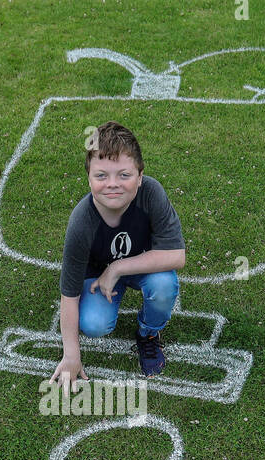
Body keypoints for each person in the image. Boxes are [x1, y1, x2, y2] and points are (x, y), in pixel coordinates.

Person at [49, 121, 185, 387]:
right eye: (101, 176)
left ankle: (148, 334)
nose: (112, 184)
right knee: (94, 324)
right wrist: (71, 355)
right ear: (88, 178)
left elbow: (177, 255)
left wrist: (117, 268)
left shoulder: (151, 193)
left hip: (140, 267)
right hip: (96, 276)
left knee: (164, 285)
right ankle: (109, 297)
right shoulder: (82, 221)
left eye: (124, 175)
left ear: (140, 176)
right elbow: (69, 294)